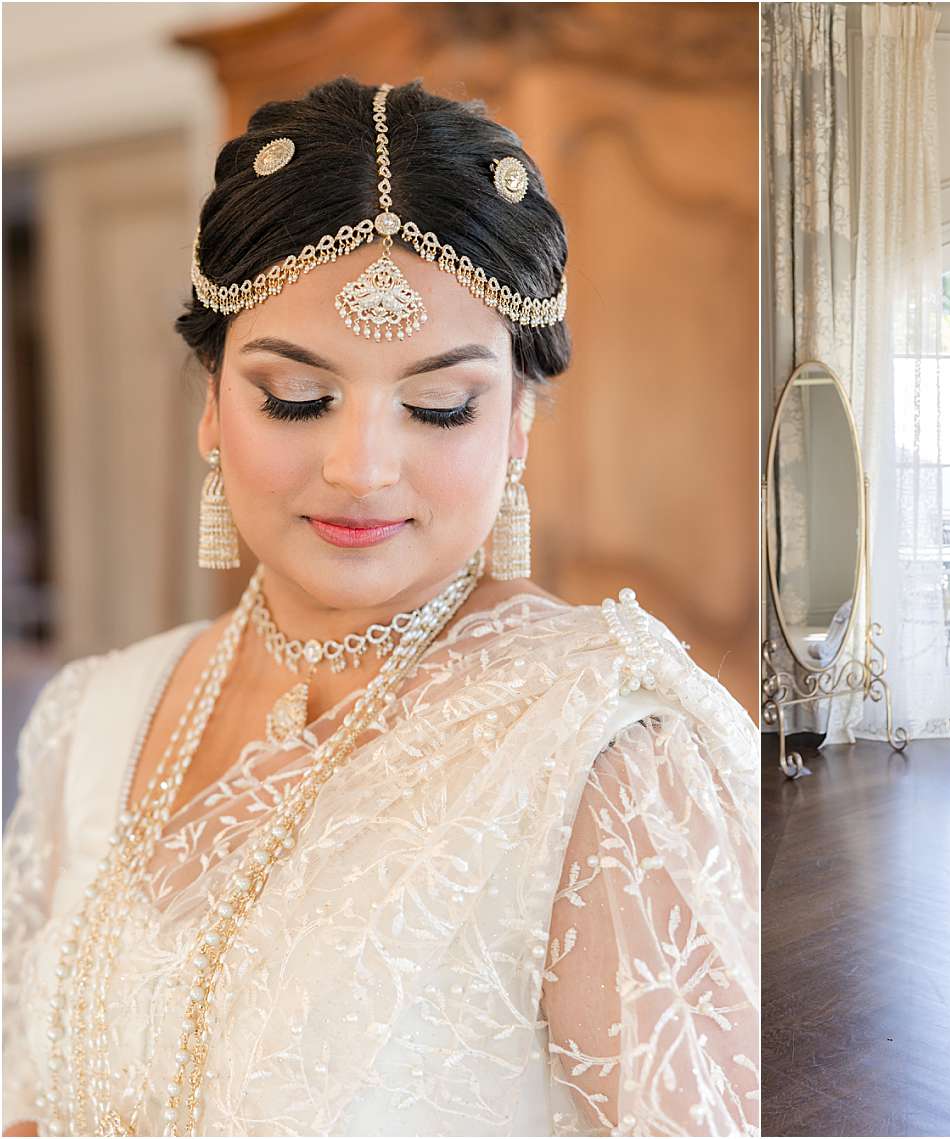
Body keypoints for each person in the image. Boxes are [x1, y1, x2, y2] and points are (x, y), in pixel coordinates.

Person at [1, 79, 759, 1137]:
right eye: (296, 398)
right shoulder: (90, 719)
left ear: (519, 426)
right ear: (212, 403)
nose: (361, 466)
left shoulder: (600, 750)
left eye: (438, 405)